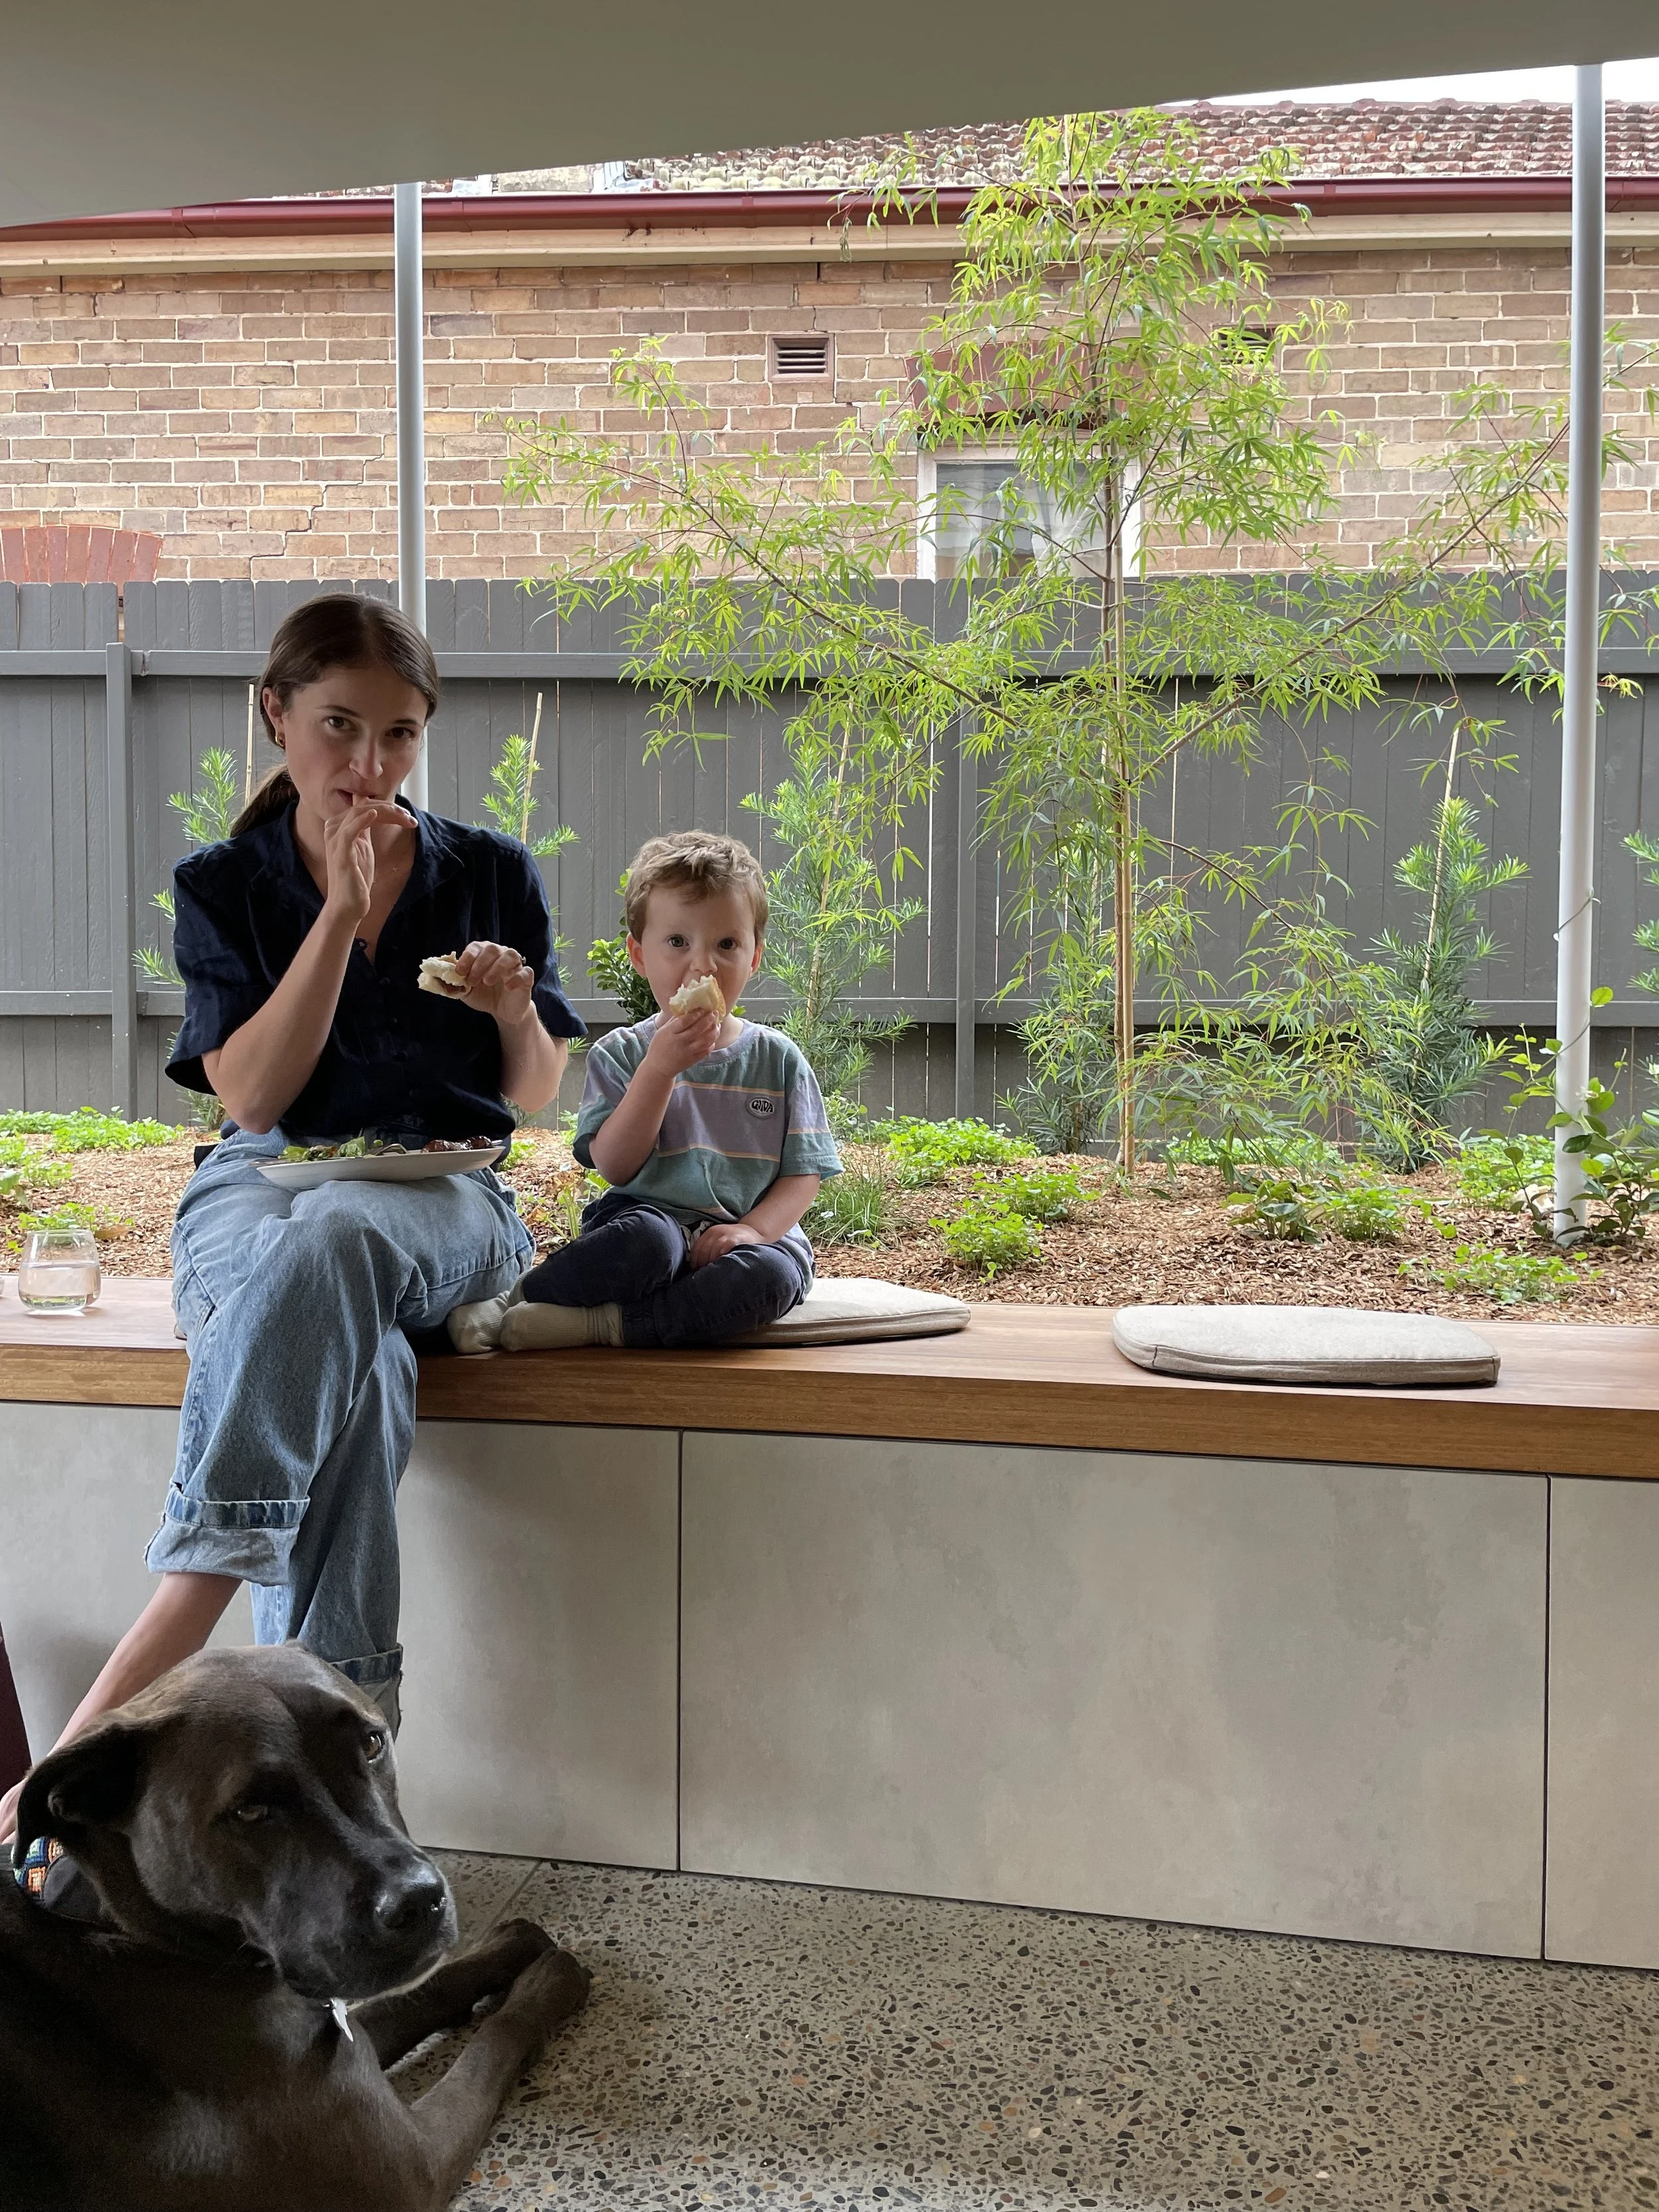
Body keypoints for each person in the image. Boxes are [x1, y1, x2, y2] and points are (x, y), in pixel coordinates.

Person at [0, 593, 583, 1844]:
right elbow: (255, 1094)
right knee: (357, 1371)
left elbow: (533, 1099)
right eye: (339, 727)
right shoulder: (226, 885)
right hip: (253, 1188)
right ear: (277, 715)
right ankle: (348, 1808)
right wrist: (336, 914)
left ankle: (181, 1606)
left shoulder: (490, 871)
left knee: (340, 1241)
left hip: (447, 1200)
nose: (369, 766)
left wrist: (513, 1013)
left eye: (400, 736)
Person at [449, 831, 841, 1355]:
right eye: (678, 942)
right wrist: (658, 1071)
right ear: (638, 954)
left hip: (746, 1240)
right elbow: (614, 1165)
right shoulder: (622, 1054)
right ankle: (517, 1298)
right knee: (644, 1246)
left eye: (727, 944)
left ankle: (605, 1325)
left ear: (754, 957)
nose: (703, 965)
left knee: (770, 1279)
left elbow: (802, 1175)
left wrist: (752, 1230)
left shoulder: (779, 1059)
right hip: (647, 1222)